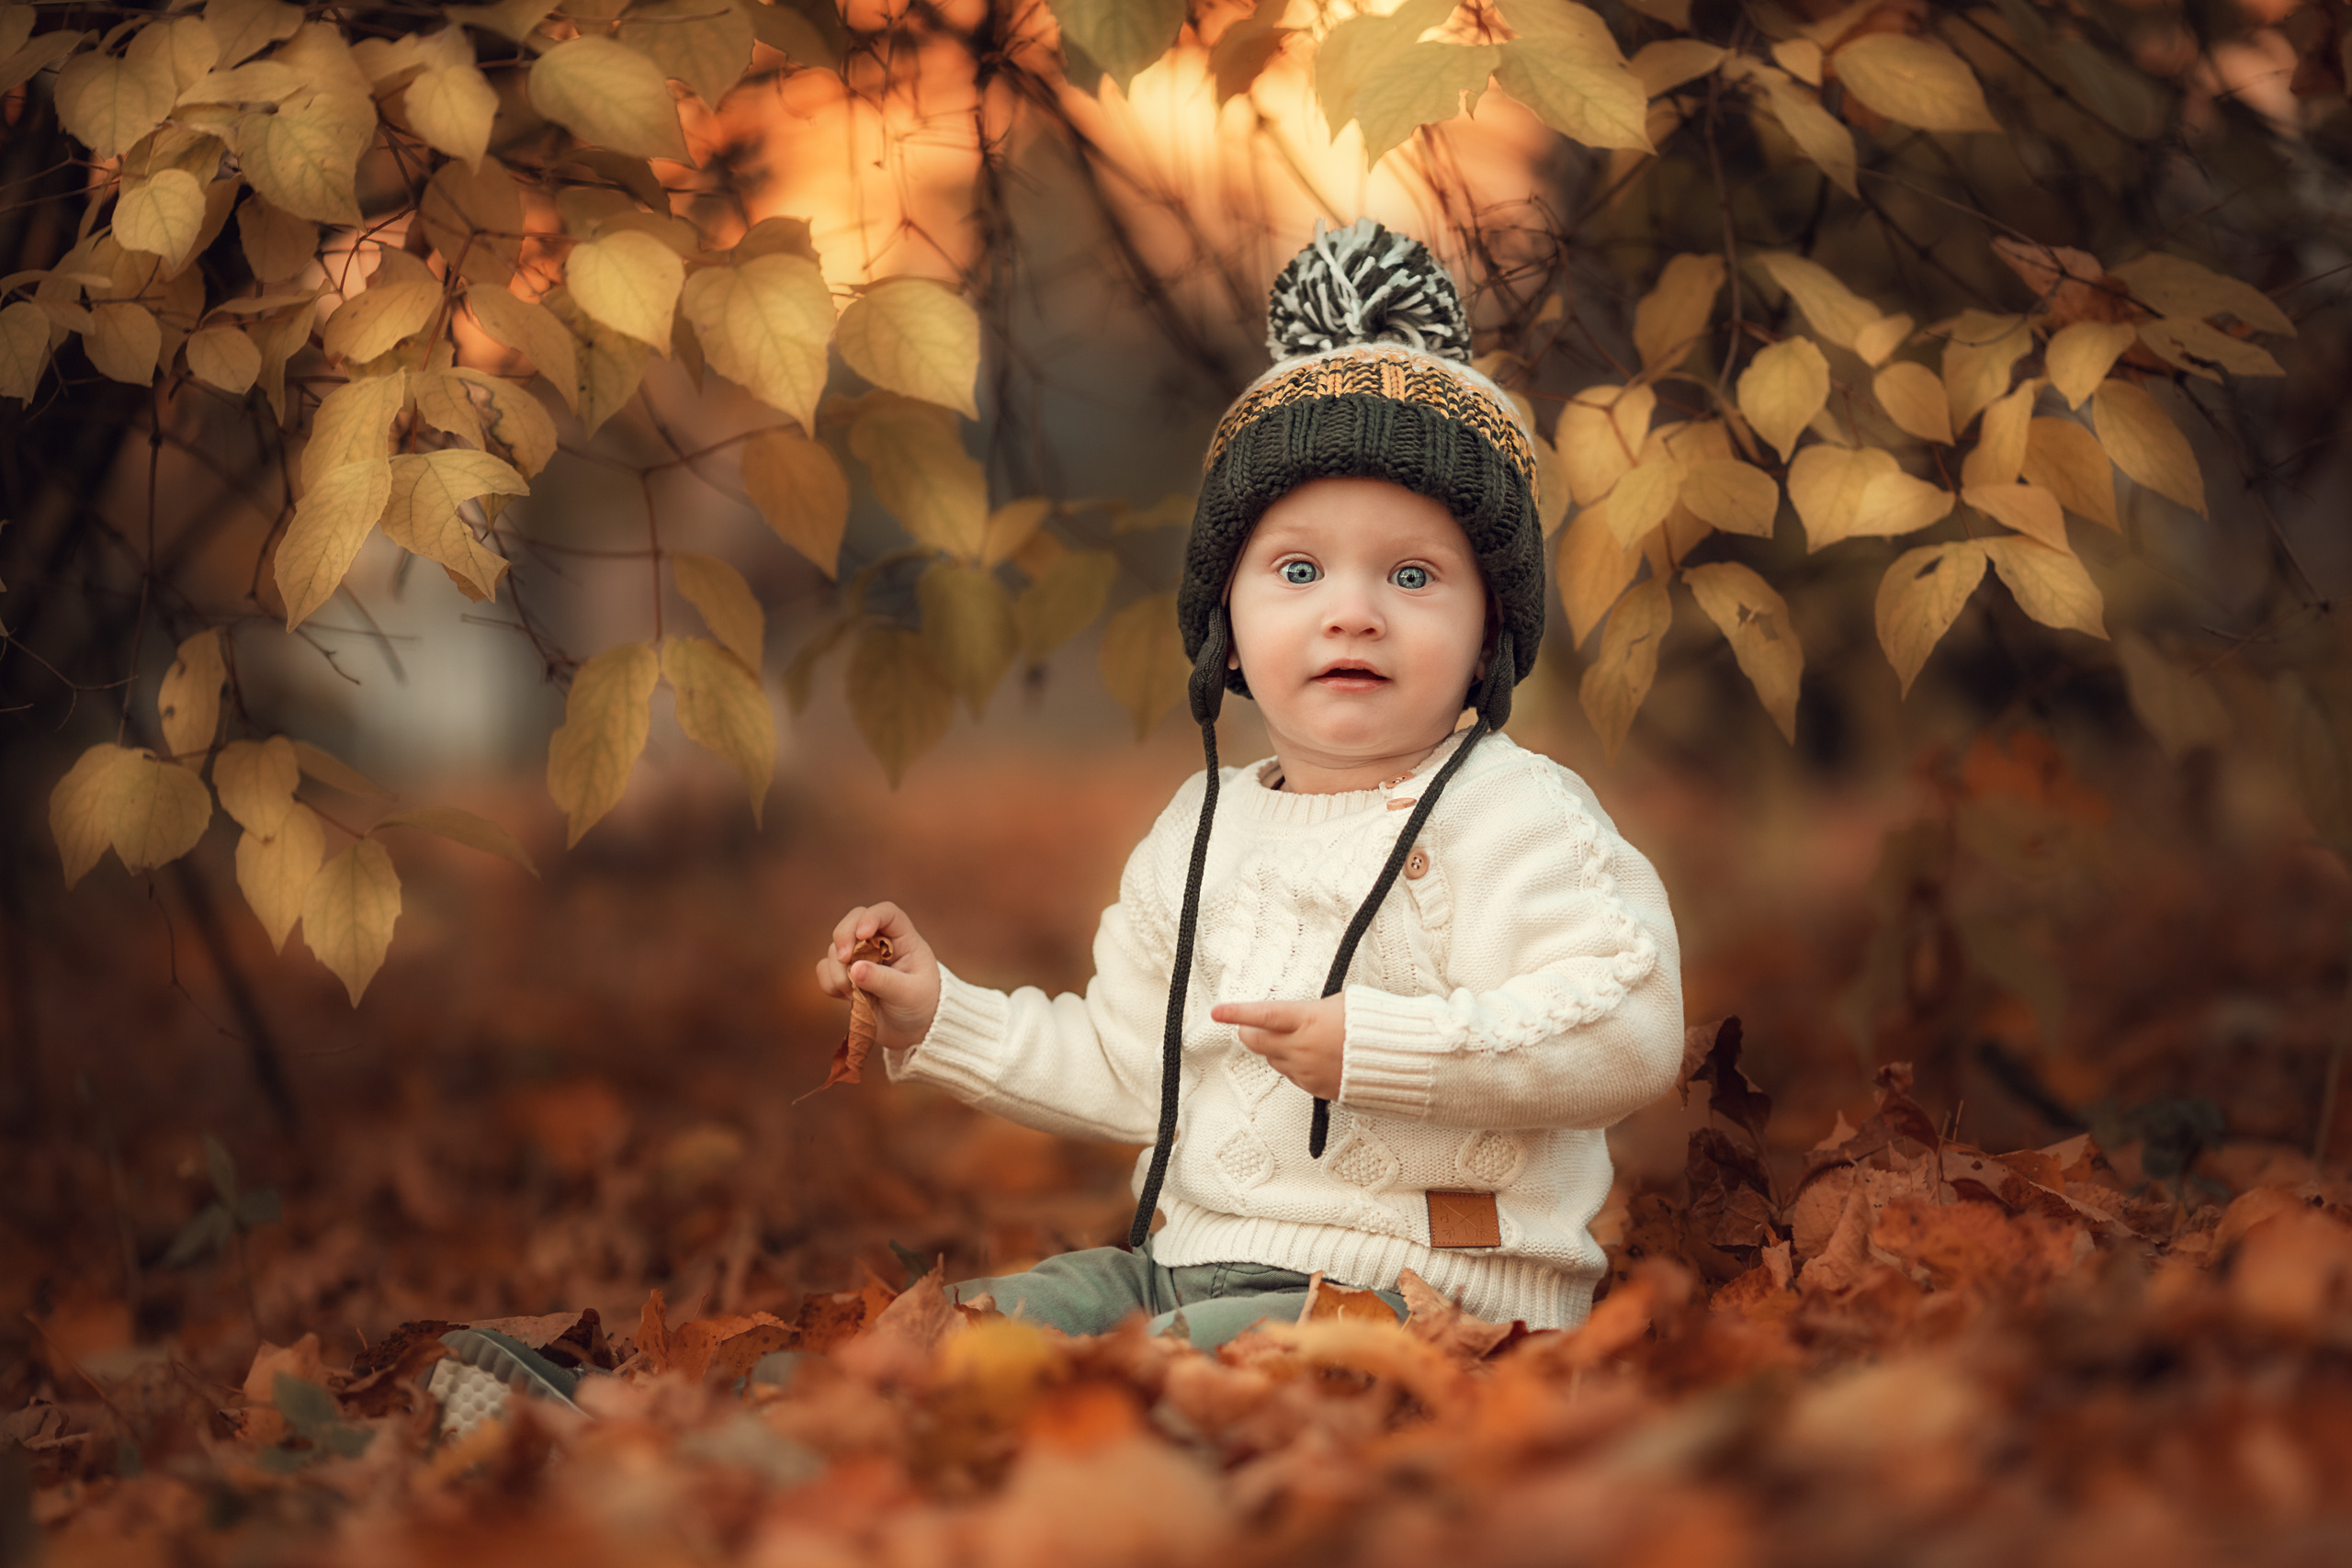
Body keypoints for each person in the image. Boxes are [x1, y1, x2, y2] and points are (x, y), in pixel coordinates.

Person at [815, 219, 1683, 1348]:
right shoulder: (1199, 830)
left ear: (1491, 633)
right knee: (970, 1335)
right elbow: (1134, 1069)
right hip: (1183, 1264)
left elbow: (1628, 1027)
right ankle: (591, 1411)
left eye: (1413, 574)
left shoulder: (1516, 818)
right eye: (1298, 568)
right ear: (1225, 621)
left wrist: (1383, 1052)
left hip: (1422, 1295)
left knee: (1154, 1377)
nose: (1351, 609)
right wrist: (943, 1016)